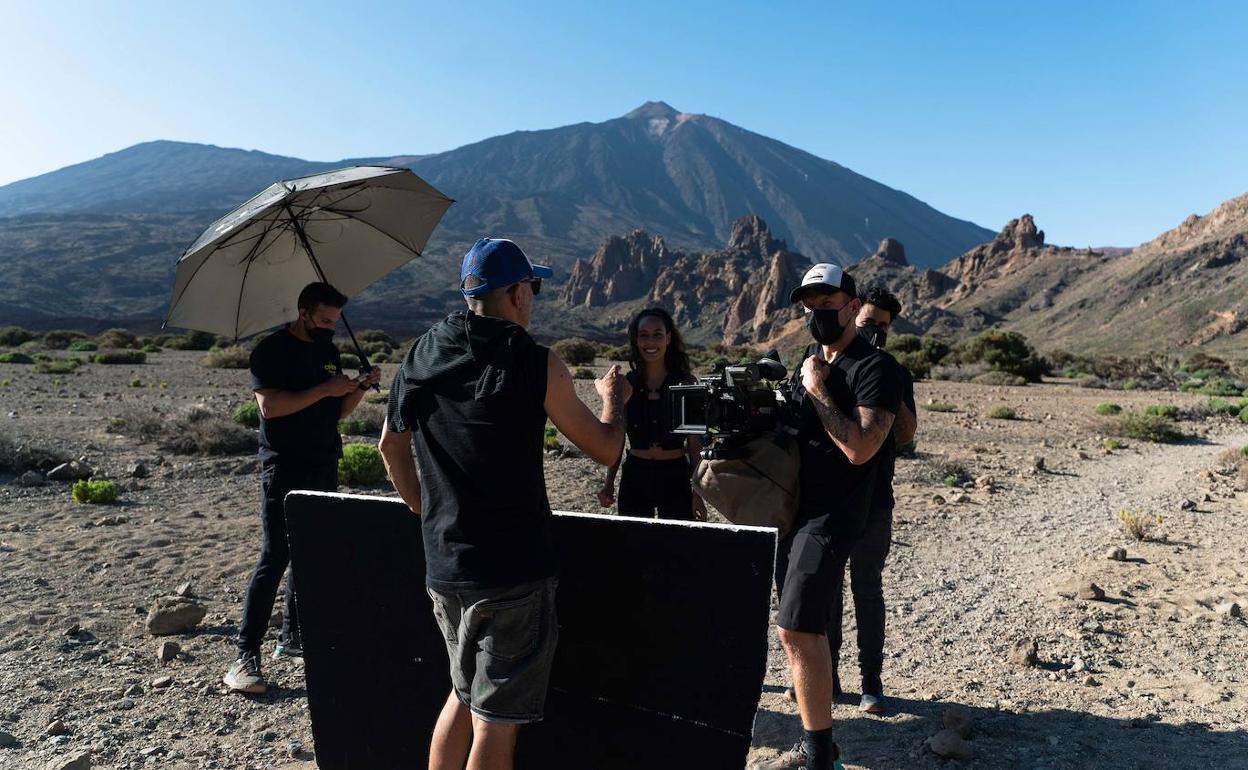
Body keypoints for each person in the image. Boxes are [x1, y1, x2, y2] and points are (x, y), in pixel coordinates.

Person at [377, 238, 631, 770]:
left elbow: (388, 445)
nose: (533, 298)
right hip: (512, 569)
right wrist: (613, 402)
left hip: (444, 565)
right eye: (532, 288)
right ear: (516, 294)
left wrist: (425, 510)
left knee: (462, 695)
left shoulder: (421, 353)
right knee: (496, 720)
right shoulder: (535, 362)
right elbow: (605, 448)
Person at [754, 264, 901, 770]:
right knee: (800, 627)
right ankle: (819, 744)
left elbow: (862, 448)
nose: (817, 310)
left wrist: (816, 391)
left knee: (796, 628)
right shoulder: (807, 361)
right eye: (809, 303)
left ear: (850, 304)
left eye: (827, 301)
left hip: (836, 514)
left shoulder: (873, 368)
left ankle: (820, 754)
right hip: (793, 511)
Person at [223, 281, 381, 695]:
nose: (331, 327)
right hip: (284, 466)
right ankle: (245, 655)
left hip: (324, 460)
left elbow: (336, 412)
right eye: (324, 319)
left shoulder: (328, 351)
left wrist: (357, 388)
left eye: (336, 320)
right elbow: (270, 407)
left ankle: (292, 637)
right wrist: (324, 389)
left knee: (312, 553)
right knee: (275, 556)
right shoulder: (270, 351)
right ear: (304, 312)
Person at [597, 307, 707, 521]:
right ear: (636, 340)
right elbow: (617, 440)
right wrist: (609, 482)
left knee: (676, 547)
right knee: (633, 547)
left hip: (675, 476)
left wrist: (698, 494)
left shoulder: (687, 383)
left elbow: (695, 446)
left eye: (657, 335)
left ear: (668, 338)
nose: (650, 343)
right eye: (644, 335)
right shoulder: (627, 384)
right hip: (635, 475)